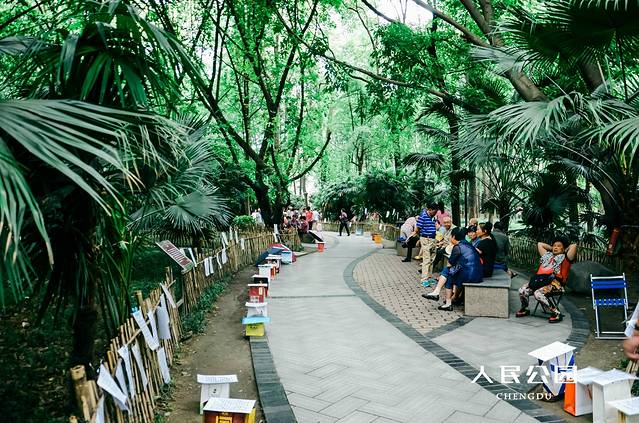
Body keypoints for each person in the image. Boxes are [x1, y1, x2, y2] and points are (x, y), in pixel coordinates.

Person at [516, 236, 577, 323]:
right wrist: (552, 249)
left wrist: (564, 250)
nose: (556, 247)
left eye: (559, 246)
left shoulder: (566, 258)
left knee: (538, 293)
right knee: (522, 290)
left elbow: (574, 246)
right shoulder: (547, 257)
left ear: (563, 248)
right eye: (554, 245)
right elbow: (540, 244)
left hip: (555, 284)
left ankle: (556, 313)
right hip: (539, 282)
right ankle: (524, 308)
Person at [423, 227, 483, 310]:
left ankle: (440, 296)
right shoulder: (468, 244)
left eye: (450, 236)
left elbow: (449, 264)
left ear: (453, 236)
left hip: (469, 275)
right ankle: (443, 298)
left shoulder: (457, 247)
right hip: (477, 274)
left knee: (447, 272)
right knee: (449, 274)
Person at [416, 203, 439, 284]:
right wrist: (421, 237)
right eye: (434, 212)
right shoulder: (423, 216)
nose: (435, 213)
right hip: (426, 239)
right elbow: (417, 229)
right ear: (430, 210)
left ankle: (429, 277)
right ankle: (424, 279)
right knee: (426, 259)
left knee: (432, 259)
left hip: (433, 239)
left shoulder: (433, 217)